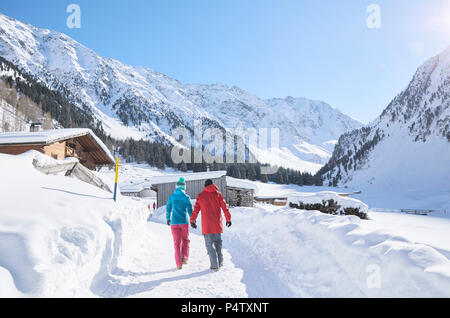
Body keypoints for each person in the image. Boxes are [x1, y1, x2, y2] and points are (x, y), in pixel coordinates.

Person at [190, 179, 232, 271]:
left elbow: (196, 209)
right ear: (213, 185)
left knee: (209, 245)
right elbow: (225, 207)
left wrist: (192, 220)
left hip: (207, 225)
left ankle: (214, 265)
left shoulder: (201, 196)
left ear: (205, 186)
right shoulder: (218, 195)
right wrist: (228, 219)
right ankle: (220, 262)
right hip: (217, 224)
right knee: (218, 243)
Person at [166, 177, 193, 270]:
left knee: (177, 243)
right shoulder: (186, 197)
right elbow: (190, 209)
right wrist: (192, 219)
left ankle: (178, 264)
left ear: (176, 187)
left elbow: (168, 208)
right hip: (184, 222)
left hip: (174, 223)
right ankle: (185, 257)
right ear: (184, 187)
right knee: (185, 240)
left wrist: (167, 218)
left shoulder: (171, 197)